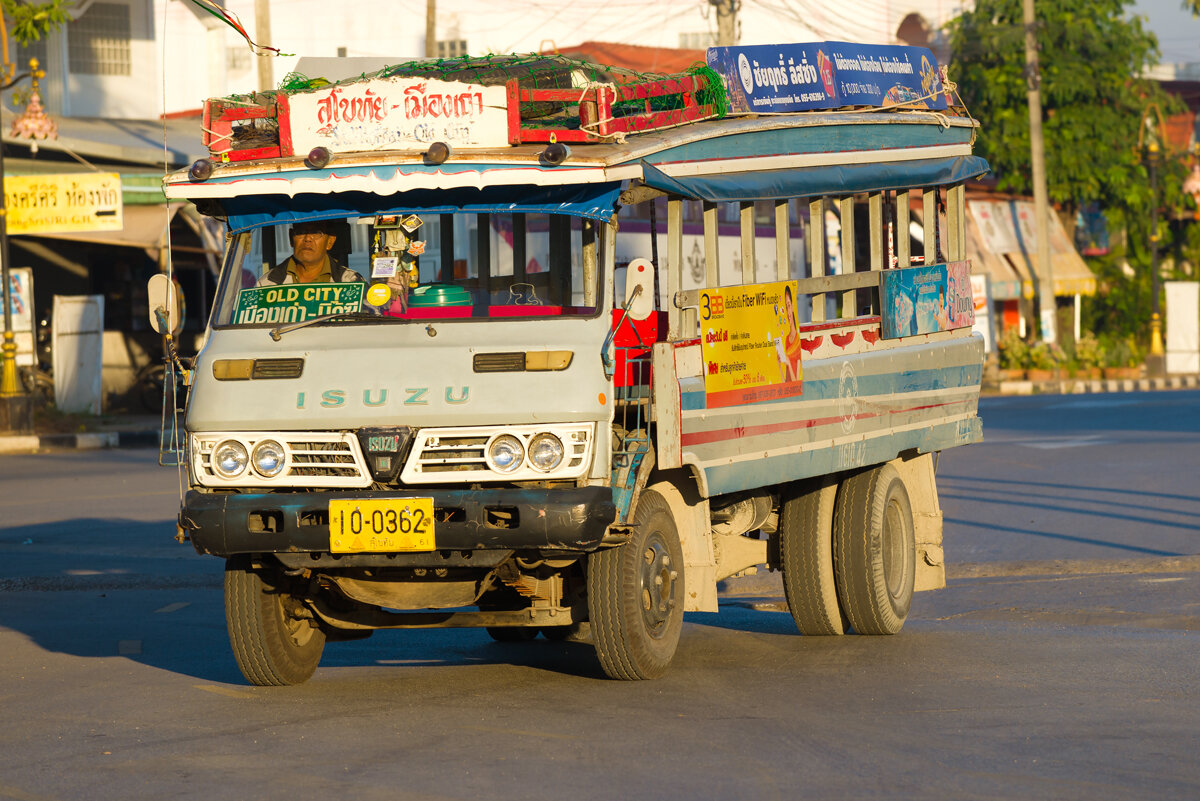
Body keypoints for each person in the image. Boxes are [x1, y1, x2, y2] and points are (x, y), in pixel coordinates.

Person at [257, 220, 365, 286]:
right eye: (301, 232)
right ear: (291, 238)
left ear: (330, 241)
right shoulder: (267, 283)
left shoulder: (351, 282)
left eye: (316, 232)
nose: (307, 238)